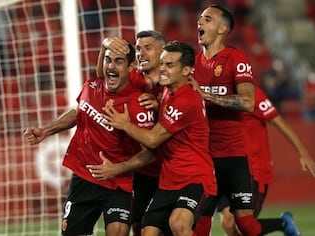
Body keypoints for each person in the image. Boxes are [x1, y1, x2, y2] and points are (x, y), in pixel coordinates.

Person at [24, 40, 156, 236]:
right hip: (84, 177)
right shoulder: (91, 86)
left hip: (117, 183)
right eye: (108, 60)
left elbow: (151, 153)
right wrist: (46, 130)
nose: (111, 66)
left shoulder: (139, 105)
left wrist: (117, 168)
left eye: (119, 61)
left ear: (130, 67)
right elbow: (79, 112)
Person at [88, 41, 217, 236]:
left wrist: (124, 124)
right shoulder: (167, 90)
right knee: (146, 232)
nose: (162, 69)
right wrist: (105, 44)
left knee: (179, 224)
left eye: (170, 65)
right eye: (163, 63)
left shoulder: (186, 99)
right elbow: (103, 75)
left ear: (186, 71)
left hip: (195, 179)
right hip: (168, 181)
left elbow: (152, 140)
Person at [190, 4, 287, 236]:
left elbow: (246, 102)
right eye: (200, 18)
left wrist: (205, 95)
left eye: (207, 19)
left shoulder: (236, 58)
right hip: (204, 157)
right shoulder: (191, 65)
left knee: (245, 225)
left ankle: (283, 224)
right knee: (199, 223)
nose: (199, 22)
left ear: (223, 29)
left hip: (234, 158)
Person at [216, 86, 315, 236]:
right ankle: (283, 223)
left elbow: (279, 122)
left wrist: (303, 152)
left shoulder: (253, 94)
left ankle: (283, 223)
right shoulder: (215, 92)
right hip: (228, 168)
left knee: (244, 225)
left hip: (255, 170)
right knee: (228, 223)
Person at [95, 30, 166, 236]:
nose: (141, 53)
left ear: (163, 53)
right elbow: (103, 75)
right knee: (138, 228)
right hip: (142, 170)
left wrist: (161, 105)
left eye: (148, 48)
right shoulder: (134, 78)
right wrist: (105, 44)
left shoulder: (176, 81)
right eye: (138, 48)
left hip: (172, 170)